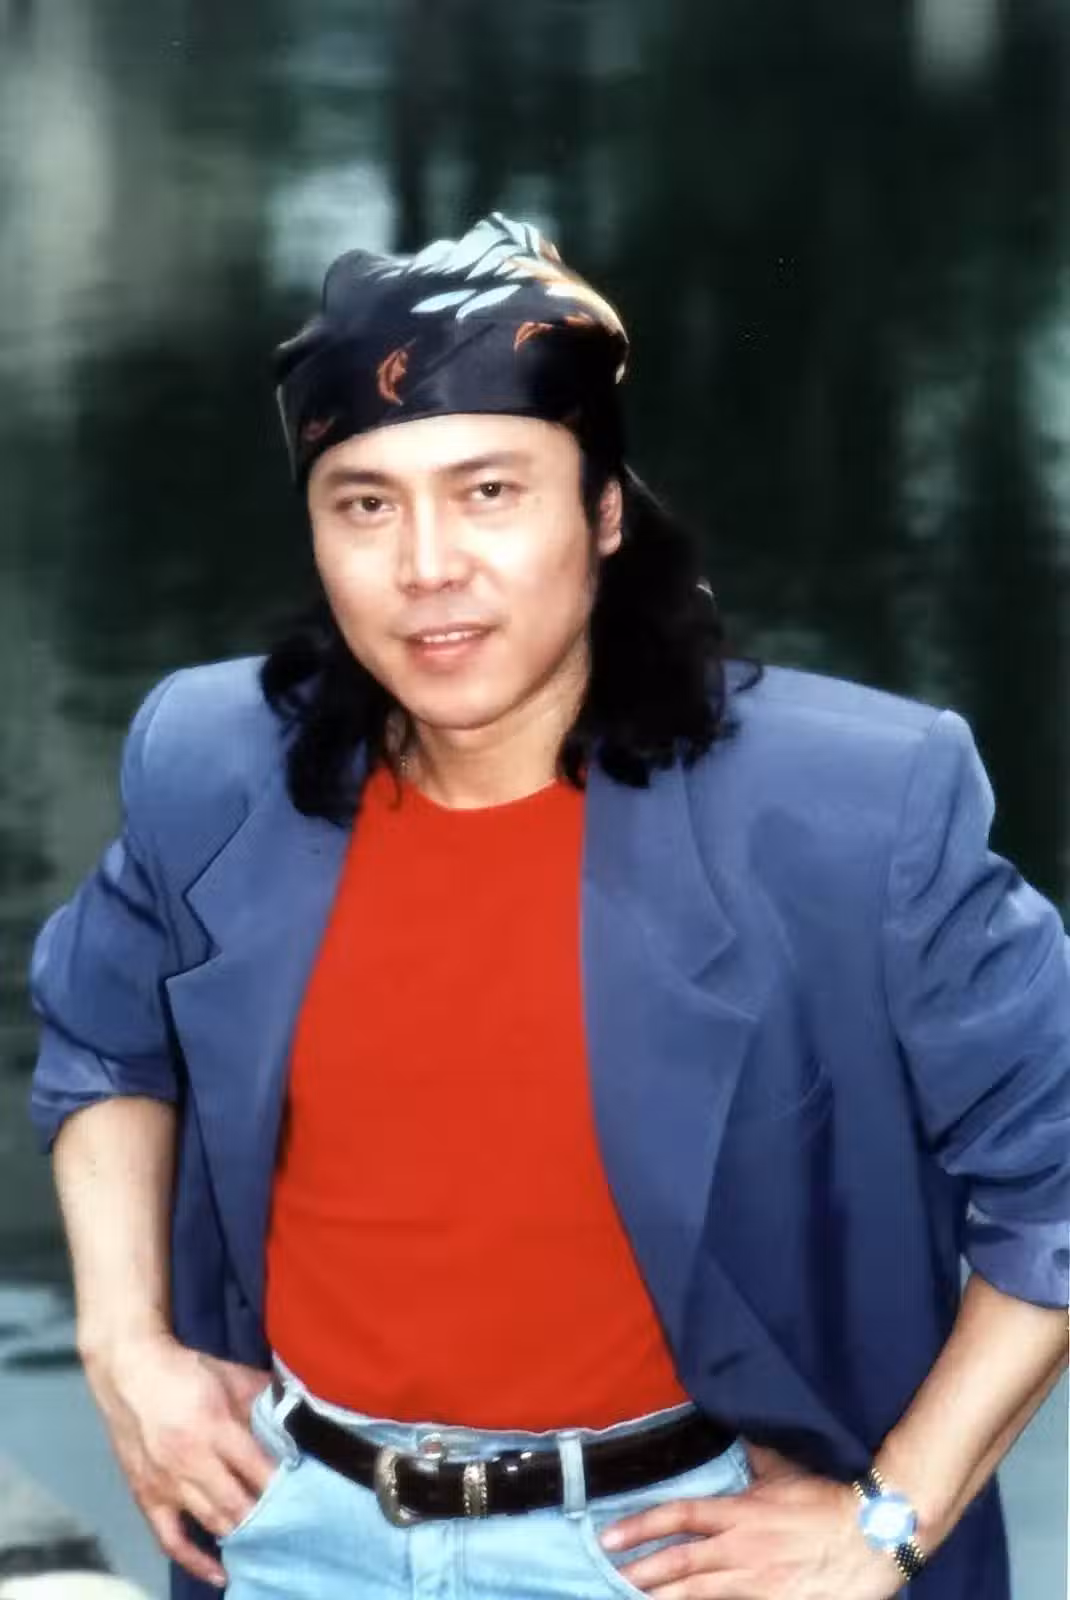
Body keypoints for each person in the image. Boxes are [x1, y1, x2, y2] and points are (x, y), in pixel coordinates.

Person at [28, 212, 1069, 1600]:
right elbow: (103, 1038)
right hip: (294, 1534)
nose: (427, 565)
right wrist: (124, 1344)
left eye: (490, 491)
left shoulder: (853, 808)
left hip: (675, 1549)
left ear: (605, 512)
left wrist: (887, 1519)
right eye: (365, 503)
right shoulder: (213, 763)